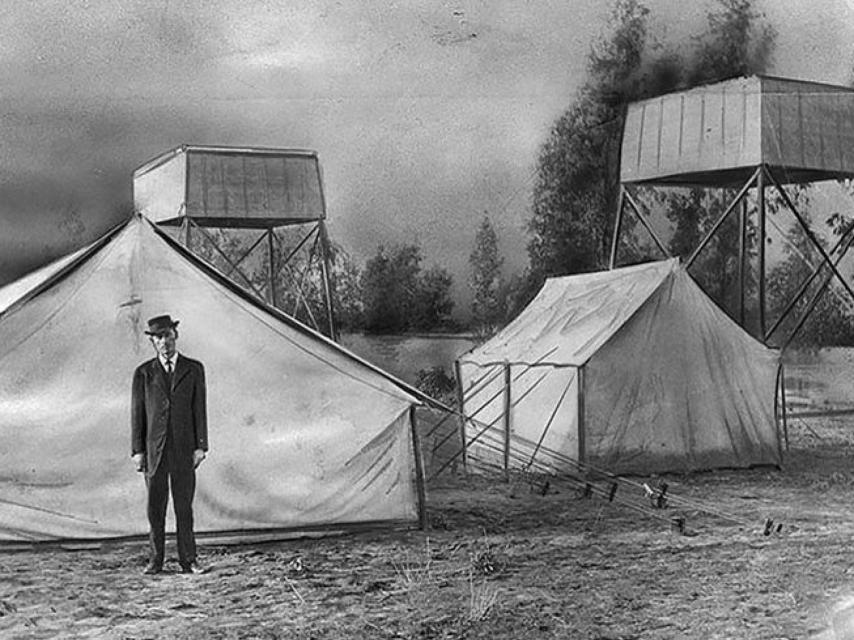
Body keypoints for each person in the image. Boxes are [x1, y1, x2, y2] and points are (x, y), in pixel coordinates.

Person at [131, 314, 208, 575]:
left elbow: (199, 409)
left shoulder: (193, 369)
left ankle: (189, 560)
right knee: (155, 508)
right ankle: (156, 561)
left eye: (168, 336)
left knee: (184, 507)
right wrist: (138, 451)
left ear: (176, 336)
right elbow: (137, 415)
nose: (164, 342)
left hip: (184, 449)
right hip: (155, 451)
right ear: (153, 342)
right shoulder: (143, 373)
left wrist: (200, 446)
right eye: (159, 338)